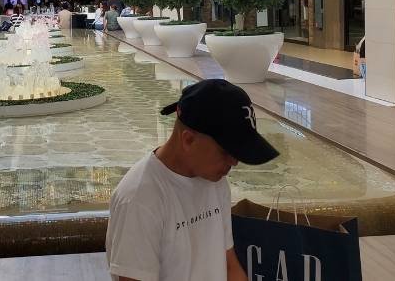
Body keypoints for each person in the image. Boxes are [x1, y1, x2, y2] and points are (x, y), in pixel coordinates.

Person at [106, 79, 279, 281]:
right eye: (226, 151)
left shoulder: (215, 181)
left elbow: (228, 264)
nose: (234, 162)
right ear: (188, 140)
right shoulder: (140, 199)